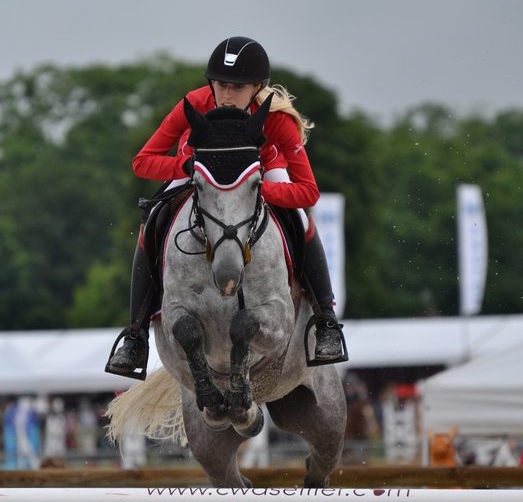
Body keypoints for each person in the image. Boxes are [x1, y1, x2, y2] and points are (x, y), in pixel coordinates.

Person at [106, 36, 347, 379]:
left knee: (300, 218)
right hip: (200, 174)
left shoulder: (276, 120)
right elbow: (142, 162)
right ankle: (136, 335)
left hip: (258, 178)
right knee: (154, 221)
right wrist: (185, 168)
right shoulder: (193, 104)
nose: (227, 95)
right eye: (221, 84)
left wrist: (262, 191)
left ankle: (325, 320)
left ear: (257, 87)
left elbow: (308, 191)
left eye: (238, 87)